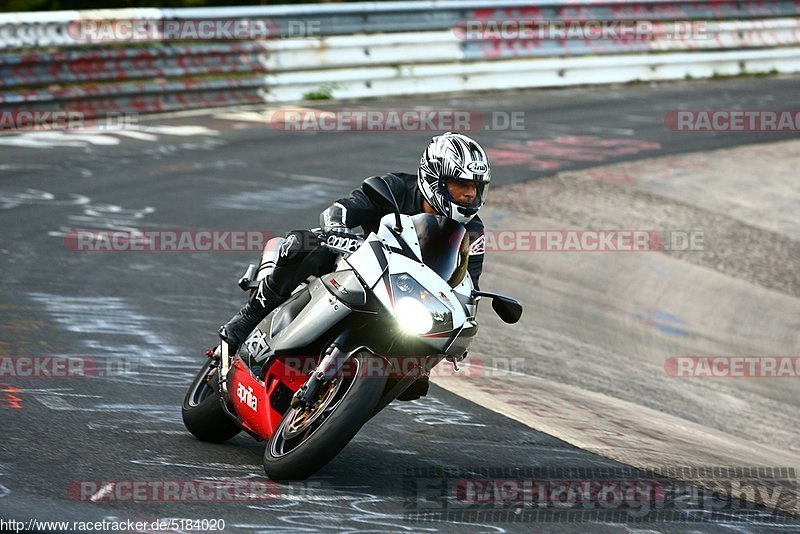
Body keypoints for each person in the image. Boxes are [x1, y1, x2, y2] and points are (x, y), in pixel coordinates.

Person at [218, 132, 491, 399]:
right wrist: (337, 227)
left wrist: (465, 317)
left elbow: (468, 283)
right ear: (435, 178)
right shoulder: (394, 189)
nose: (469, 194)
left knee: (424, 360)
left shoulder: (473, 233)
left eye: (476, 187)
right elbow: (341, 211)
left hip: (408, 298)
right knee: (304, 243)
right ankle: (250, 317)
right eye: (461, 184)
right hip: (359, 267)